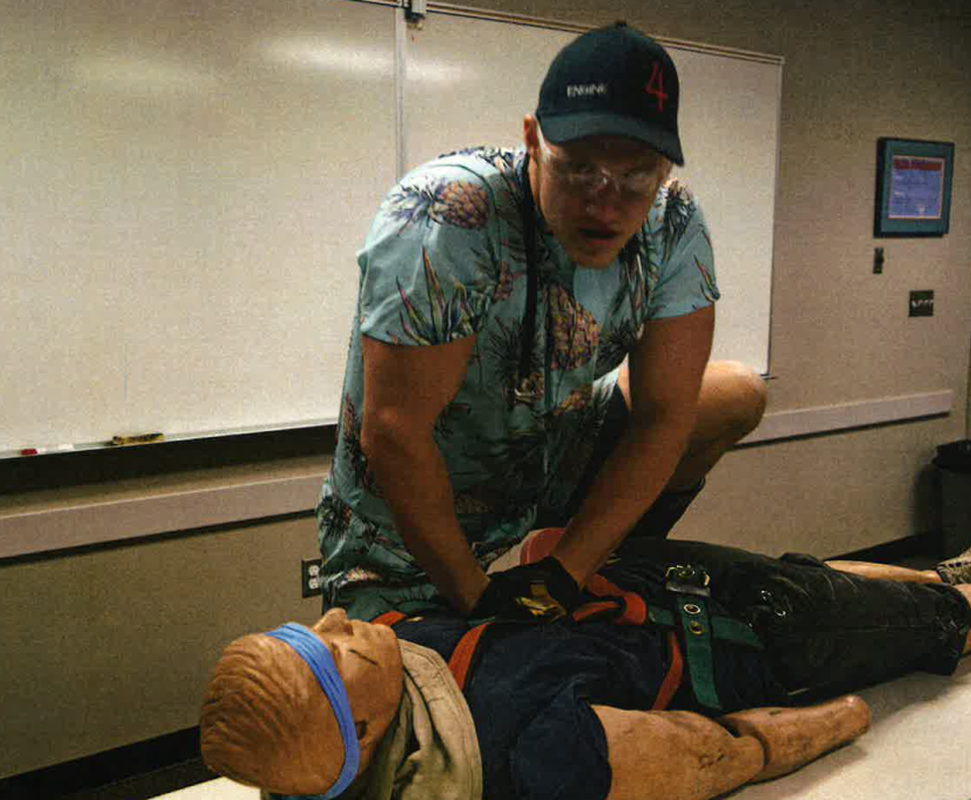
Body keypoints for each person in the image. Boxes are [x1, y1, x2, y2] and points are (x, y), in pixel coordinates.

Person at [317, 21, 768, 623]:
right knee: (435, 699)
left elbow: (665, 418)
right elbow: (395, 432)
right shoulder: (448, 216)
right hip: (404, 520)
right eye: (579, 169)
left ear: (663, 169)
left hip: (547, 456)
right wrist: (482, 600)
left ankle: (595, 560)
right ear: (532, 140)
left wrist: (564, 573)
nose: (605, 204)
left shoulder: (674, 221)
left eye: (636, 176)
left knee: (737, 394)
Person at [200, 520, 971, 800]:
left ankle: (946, 575)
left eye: (308, 628)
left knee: (805, 565)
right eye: (326, 652)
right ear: (359, 731)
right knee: (908, 619)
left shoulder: (395, 668)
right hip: (752, 641)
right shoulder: (528, 756)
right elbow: (716, 754)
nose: (333, 619)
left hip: (654, 586)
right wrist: (844, 719)